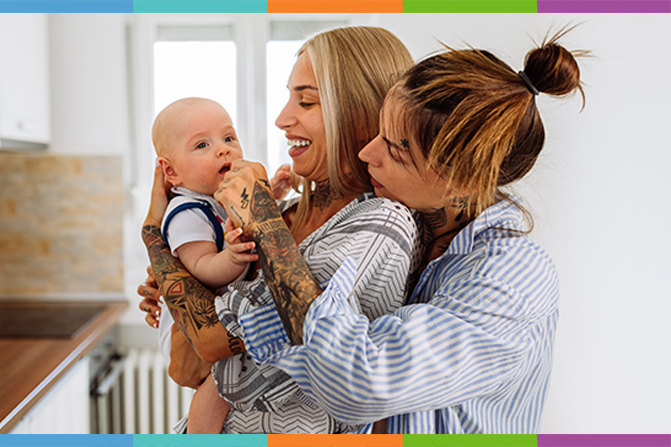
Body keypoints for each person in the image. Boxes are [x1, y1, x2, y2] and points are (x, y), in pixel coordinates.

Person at [211, 28, 585, 434]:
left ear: (464, 180)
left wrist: (265, 223)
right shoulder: (407, 232)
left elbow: (359, 383)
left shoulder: (512, 278)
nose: (367, 152)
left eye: (395, 148)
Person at [139, 26, 417, 433]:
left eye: (305, 101)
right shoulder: (278, 215)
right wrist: (176, 275)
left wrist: (155, 240)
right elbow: (183, 367)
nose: (282, 119)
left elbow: (209, 344)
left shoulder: (379, 225)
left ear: (360, 114)